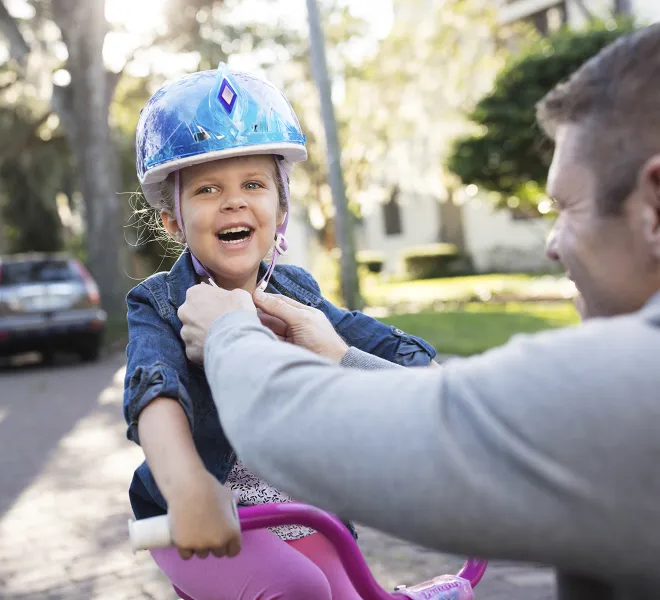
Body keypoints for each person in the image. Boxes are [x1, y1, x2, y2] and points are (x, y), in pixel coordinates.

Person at [176, 25, 660, 600]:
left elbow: (325, 431)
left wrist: (229, 333)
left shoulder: (633, 387)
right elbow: (454, 419)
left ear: (654, 207)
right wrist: (339, 354)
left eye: (567, 208)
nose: (553, 244)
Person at [124, 62, 438, 600]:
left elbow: (403, 361)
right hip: (202, 517)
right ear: (173, 219)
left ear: (282, 204)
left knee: (348, 593)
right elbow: (155, 392)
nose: (234, 201)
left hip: (300, 511)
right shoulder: (159, 303)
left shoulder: (297, 295)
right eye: (206, 189)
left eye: (253, 184)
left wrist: (410, 378)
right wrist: (187, 485)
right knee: (297, 588)